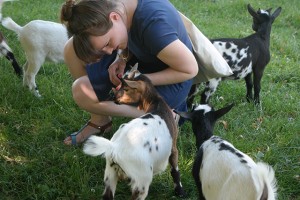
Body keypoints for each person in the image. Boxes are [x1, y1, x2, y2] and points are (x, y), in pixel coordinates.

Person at [60, 0, 198, 145]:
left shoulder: (154, 26)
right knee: (72, 49)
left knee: (82, 92)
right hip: (141, 63)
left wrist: (140, 79)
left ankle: (166, 114)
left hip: (171, 81)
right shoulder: (121, 8)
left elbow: (190, 69)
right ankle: (100, 120)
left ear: (114, 17)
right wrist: (122, 57)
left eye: (107, 43)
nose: (109, 51)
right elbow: (135, 35)